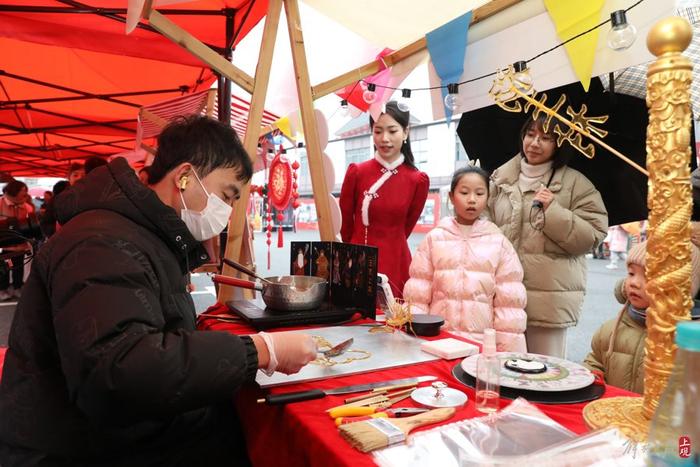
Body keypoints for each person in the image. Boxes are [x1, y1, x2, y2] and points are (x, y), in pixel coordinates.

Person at [0, 116, 318, 466]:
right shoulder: (103, 242)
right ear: (184, 176)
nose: (225, 211)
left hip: (118, 433)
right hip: (81, 448)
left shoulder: (138, 234)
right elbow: (117, 372)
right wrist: (258, 351)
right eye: (226, 195)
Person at [488, 115, 608, 358]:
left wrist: (553, 211)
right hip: (500, 294)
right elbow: (483, 220)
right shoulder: (499, 178)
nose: (534, 143)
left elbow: (593, 235)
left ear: (560, 143)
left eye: (546, 138)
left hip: (548, 300)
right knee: (500, 370)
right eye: (530, 134)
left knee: (544, 375)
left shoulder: (577, 184)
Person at [404, 165, 527, 351]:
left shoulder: (499, 244)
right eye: (464, 192)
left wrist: (507, 354)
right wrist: (414, 340)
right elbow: (417, 297)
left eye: (479, 193)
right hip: (438, 342)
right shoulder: (434, 239)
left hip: (479, 347)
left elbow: (509, 308)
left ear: (488, 198)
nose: (472, 200)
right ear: (452, 197)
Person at [583, 240, 700, 393]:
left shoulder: (690, 341)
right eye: (631, 273)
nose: (634, 283)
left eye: (649, 276)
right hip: (613, 411)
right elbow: (596, 362)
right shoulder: (611, 329)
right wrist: (591, 378)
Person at [339, 101, 429, 297]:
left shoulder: (417, 180)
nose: (384, 138)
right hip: (358, 258)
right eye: (378, 131)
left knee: (394, 320)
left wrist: (391, 241)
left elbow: (407, 227)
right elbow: (345, 223)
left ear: (406, 132)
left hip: (396, 261)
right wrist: (353, 250)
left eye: (392, 131)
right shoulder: (357, 172)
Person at [0, 180, 33, 300]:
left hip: (20, 245)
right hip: (5, 246)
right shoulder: (1, 203)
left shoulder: (27, 207)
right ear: (14, 191)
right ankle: (3, 288)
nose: (25, 193)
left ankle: (17, 287)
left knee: (18, 266)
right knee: (7, 265)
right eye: (22, 191)